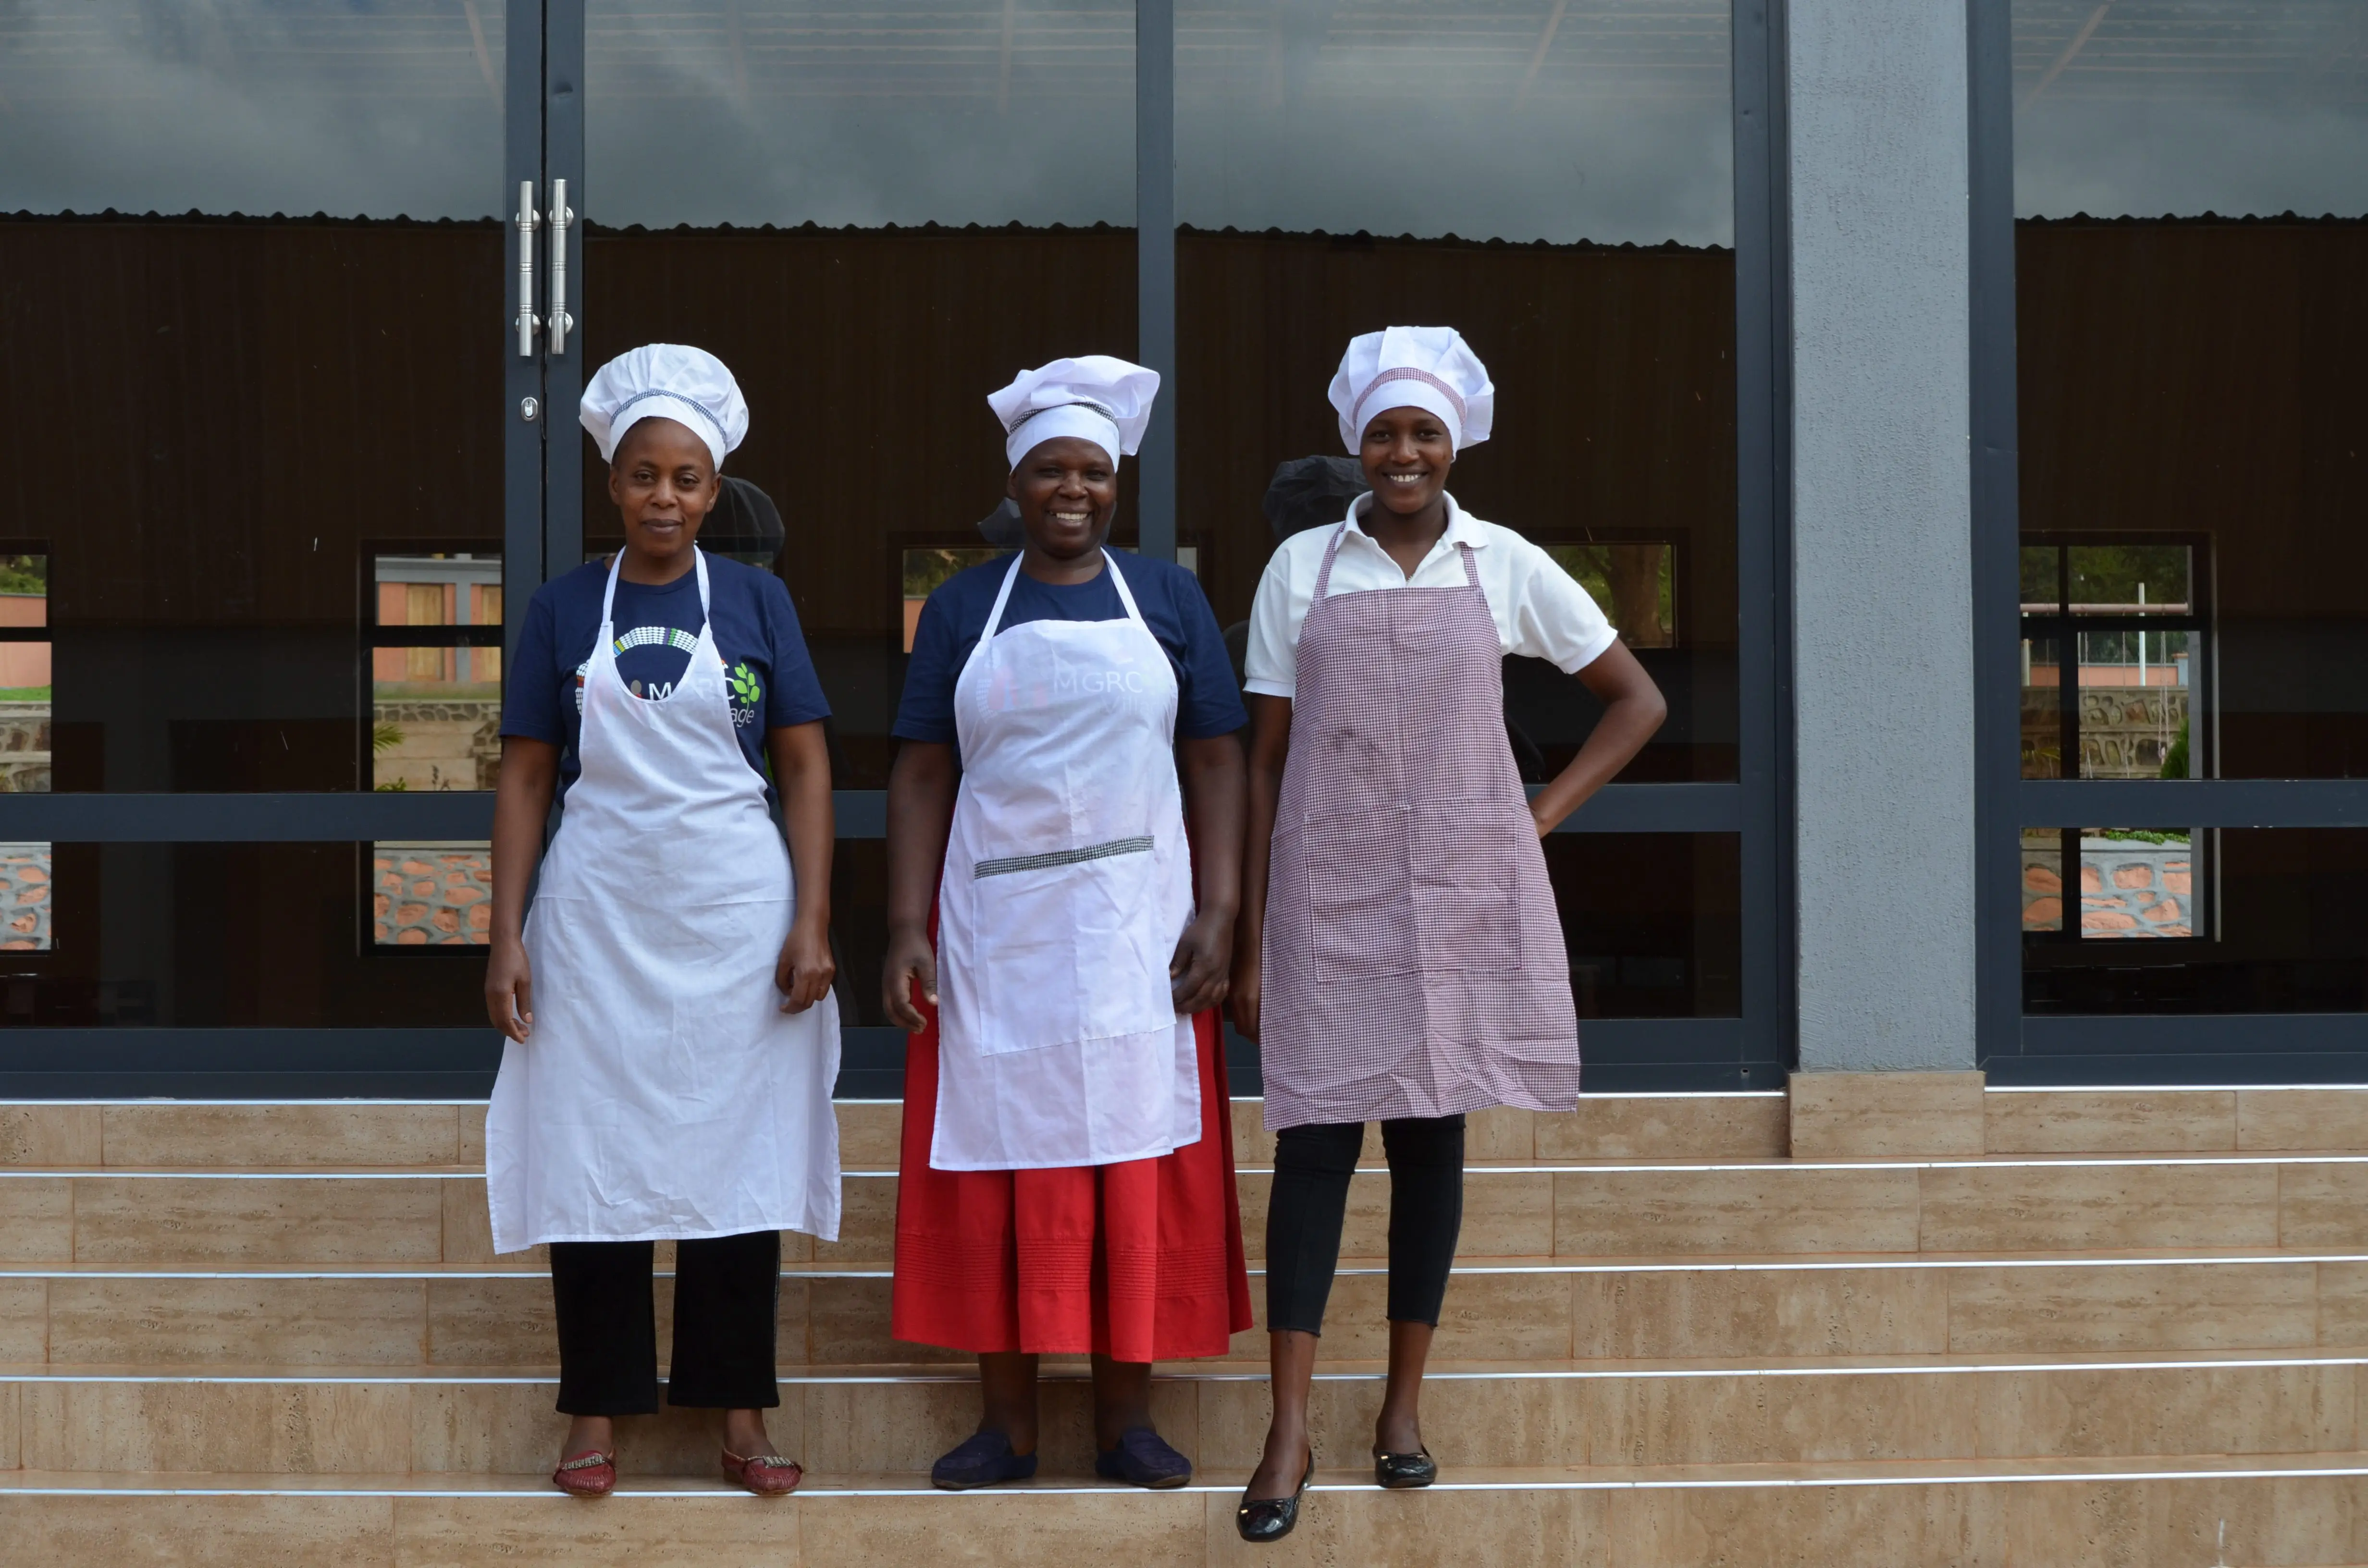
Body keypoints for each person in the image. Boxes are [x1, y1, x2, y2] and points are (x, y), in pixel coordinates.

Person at [1229, 327, 1668, 1542]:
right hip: (1327, 897)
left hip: (1459, 897)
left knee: (1430, 1143)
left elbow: (1636, 700)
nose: (1403, 452)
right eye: (1383, 433)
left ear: (1456, 441)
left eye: (1423, 432)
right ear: (1354, 447)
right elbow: (1265, 761)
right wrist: (1256, 935)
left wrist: (1537, 817)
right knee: (1313, 1154)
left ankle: (1402, 1409)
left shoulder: (1506, 562)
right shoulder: (1299, 570)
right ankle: (1288, 1427)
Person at [882, 355, 1253, 1491]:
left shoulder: (1170, 601)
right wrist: (904, 923)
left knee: (1129, 1163)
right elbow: (920, 774)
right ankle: (1007, 1426)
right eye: (1051, 470)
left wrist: (1226, 904)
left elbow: (1216, 755)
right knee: (1001, 1167)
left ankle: (1123, 1422)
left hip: (1141, 933)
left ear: (1117, 481)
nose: (1073, 489)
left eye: (1094, 469)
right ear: (1017, 482)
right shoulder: (958, 608)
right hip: (999, 938)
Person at [481, 344, 841, 1499]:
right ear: (612, 483)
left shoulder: (757, 601)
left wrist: (813, 921)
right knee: (594, 1150)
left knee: (737, 1151)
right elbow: (529, 777)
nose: (667, 498)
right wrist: (506, 933)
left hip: (737, 913)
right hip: (596, 917)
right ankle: (595, 1409)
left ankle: (738, 1411)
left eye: (688, 478)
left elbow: (806, 766)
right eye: (645, 475)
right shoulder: (561, 608)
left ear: (715, 487)